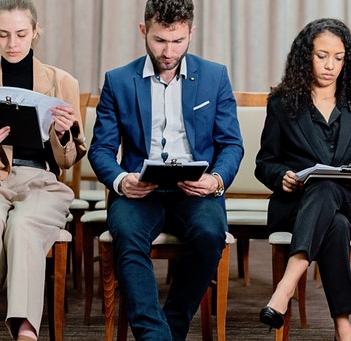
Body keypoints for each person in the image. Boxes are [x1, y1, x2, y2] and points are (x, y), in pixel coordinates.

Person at [87, 0, 243, 339]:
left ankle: (169, 327)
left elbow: (231, 144)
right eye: (159, 40)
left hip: (196, 191)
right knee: (127, 235)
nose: (169, 51)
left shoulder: (215, 77)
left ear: (191, 33)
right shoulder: (118, 81)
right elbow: (100, 149)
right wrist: (120, 180)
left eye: (178, 41)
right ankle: (154, 335)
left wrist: (215, 180)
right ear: (144, 31)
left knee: (210, 233)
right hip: (141, 192)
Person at [0, 0, 85, 340]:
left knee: (24, 223)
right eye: (4, 34)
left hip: (41, 180)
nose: (12, 43)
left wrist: (64, 131)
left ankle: (25, 327)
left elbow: (70, 158)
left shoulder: (62, 81)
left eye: (21, 34)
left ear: (35, 32)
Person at [253, 18, 351, 341]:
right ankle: (343, 326)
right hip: (299, 205)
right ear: (305, 57)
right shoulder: (282, 104)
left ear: (347, 60)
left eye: (339, 58)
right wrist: (280, 177)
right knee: (335, 225)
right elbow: (264, 162)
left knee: (328, 187)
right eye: (322, 56)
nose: (331, 66)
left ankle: (284, 289)